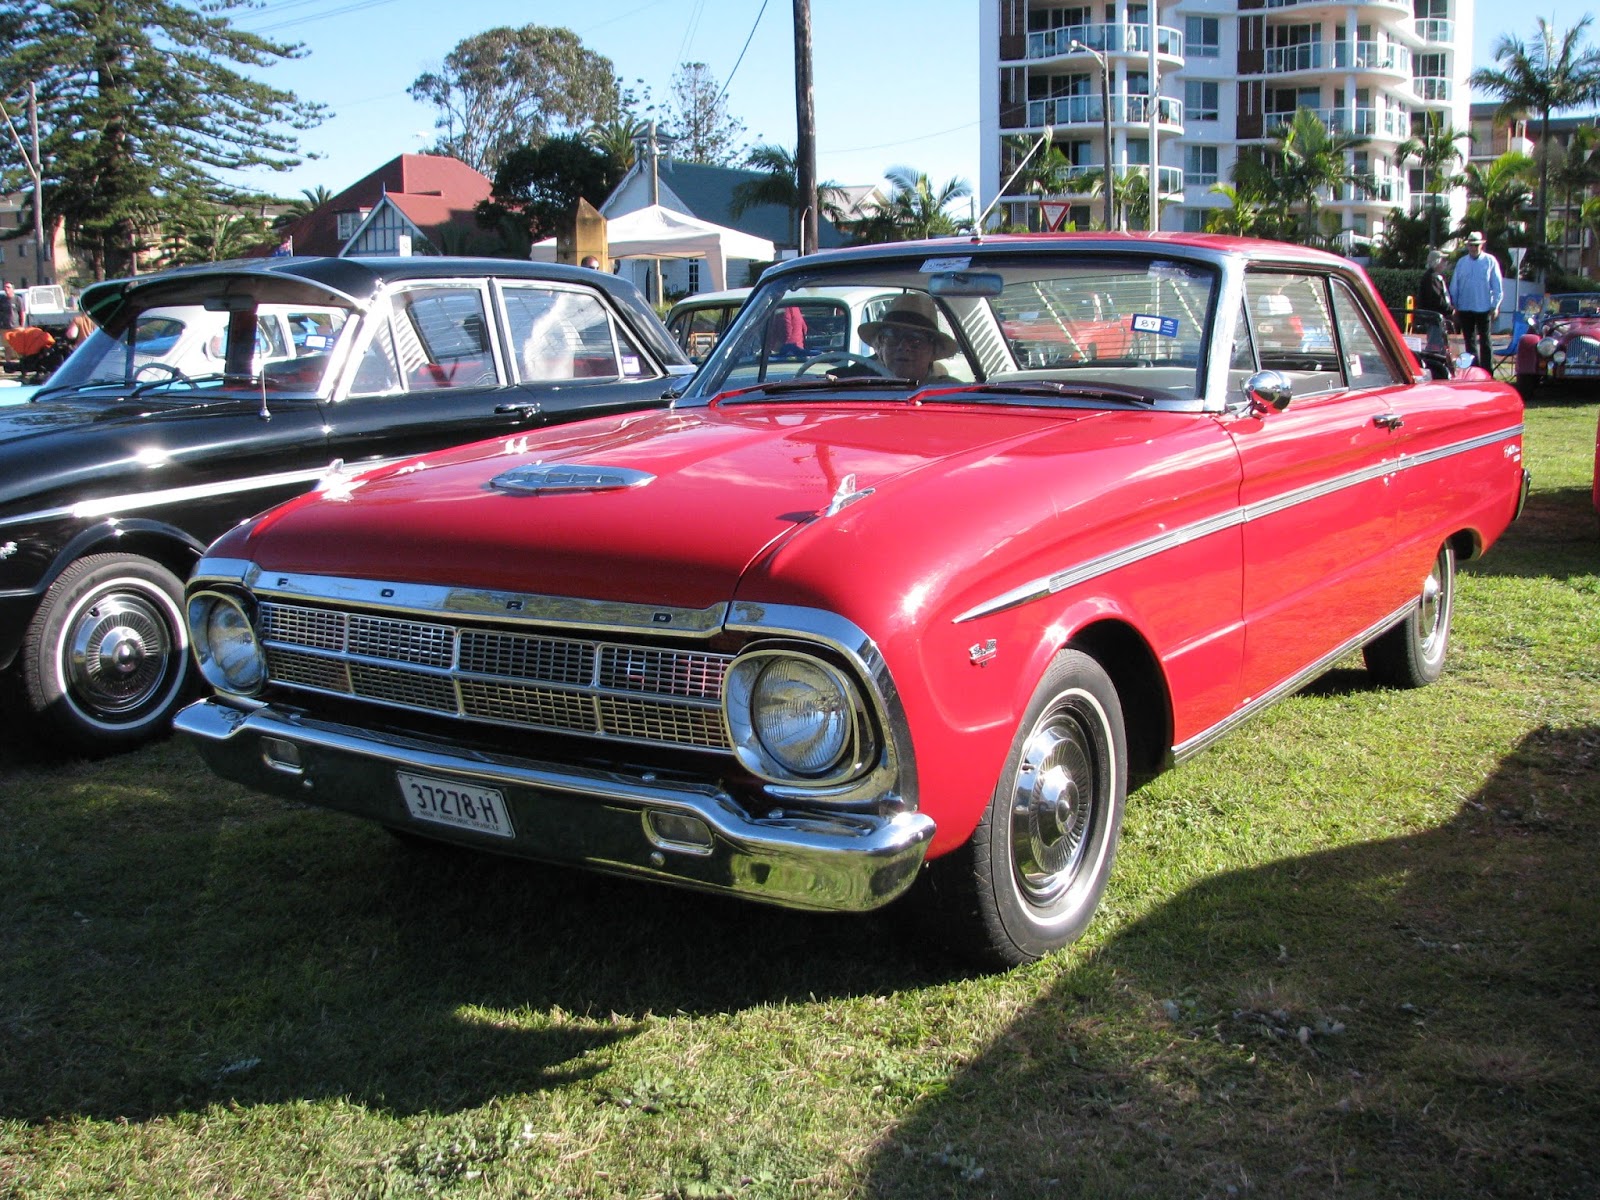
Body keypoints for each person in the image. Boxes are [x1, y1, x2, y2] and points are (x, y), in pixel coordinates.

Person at [857, 293, 960, 384]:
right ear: (880, 345)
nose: (903, 346)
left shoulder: (949, 393)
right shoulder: (856, 383)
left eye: (916, 340)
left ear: (933, 350)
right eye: (893, 336)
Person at [1449, 231, 1503, 371]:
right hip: (1465, 307)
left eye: (1476, 245)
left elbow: (1497, 286)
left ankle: (1487, 371)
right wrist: (1455, 305)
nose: (1473, 248)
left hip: (1483, 308)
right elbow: (1455, 285)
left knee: (1485, 341)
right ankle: (1474, 370)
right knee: (1469, 341)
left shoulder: (1490, 261)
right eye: (1471, 245)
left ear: (1481, 245)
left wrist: (1495, 306)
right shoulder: (1462, 262)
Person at [1417, 249, 1454, 353]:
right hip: (1434, 317)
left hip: (1438, 318)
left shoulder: (1436, 277)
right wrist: (1450, 309)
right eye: (1443, 260)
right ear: (1436, 262)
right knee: (1435, 346)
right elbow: (1436, 299)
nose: (1445, 263)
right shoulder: (1431, 278)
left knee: (1441, 344)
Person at [0, 282, 24, 367]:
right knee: (7, 347)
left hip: (16, 327)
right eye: (5, 288)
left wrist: (21, 325)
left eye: (8, 287)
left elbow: (22, 313)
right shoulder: (2, 300)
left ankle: (23, 363)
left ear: (12, 289)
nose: (6, 289)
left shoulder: (18, 299)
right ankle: (8, 364)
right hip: (4, 327)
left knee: (19, 346)